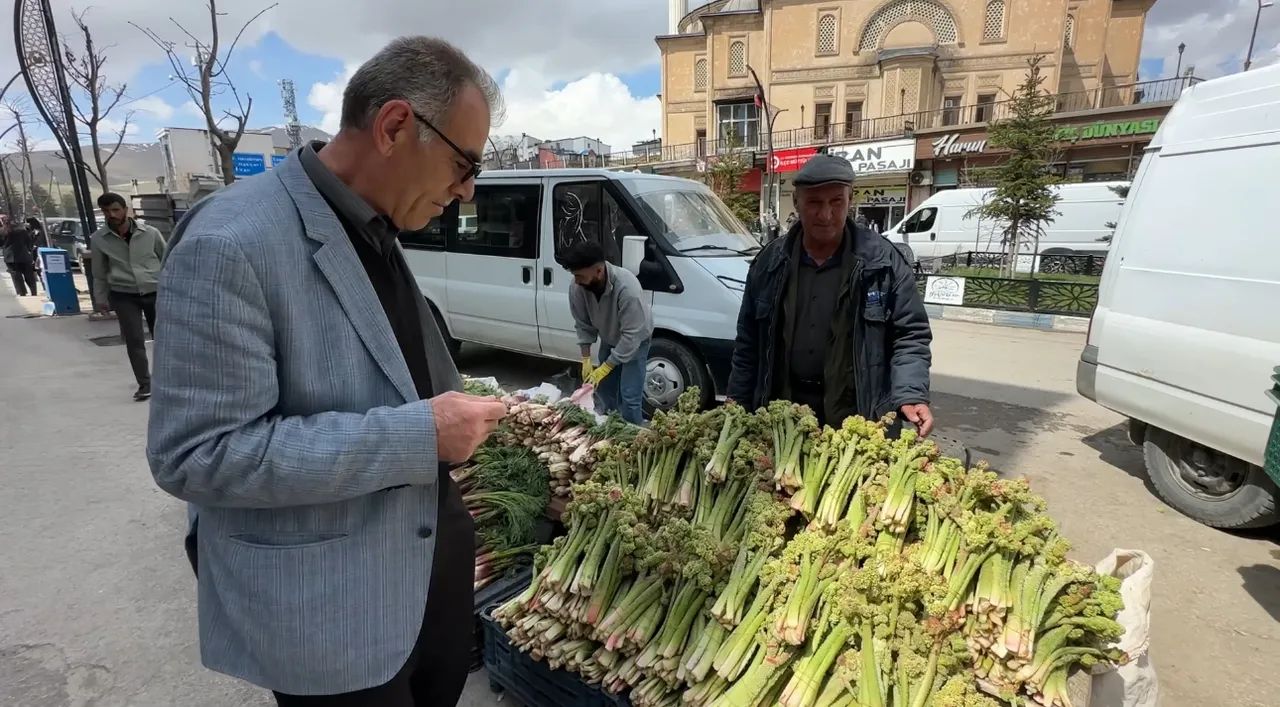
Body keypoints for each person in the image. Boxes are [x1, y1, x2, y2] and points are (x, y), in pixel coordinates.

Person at [146, 37, 507, 707]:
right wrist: (419, 434)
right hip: (336, 620)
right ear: (397, 126)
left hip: (426, 587)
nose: (467, 189)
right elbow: (196, 454)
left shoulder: (373, 223)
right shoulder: (233, 242)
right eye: (464, 162)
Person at [726, 154, 934, 436]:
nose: (825, 215)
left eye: (836, 201)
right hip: (785, 417)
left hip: (859, 418)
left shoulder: (883, 262)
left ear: (850, 200)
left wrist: (911, 393)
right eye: (814, 202)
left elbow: (910, 334)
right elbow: (749, 341)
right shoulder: (770, 263)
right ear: (797, 203)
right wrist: (737, 399)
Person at [564, 239, 654, 424]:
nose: (576, 281)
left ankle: (631, 438)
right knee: (603, 391)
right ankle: (607, 430)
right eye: (575, 276)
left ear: (599, 271)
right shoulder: (578, 287)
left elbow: (631, 336)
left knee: (629, 395)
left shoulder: (627, 288)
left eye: (580, 276)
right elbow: (583, 324)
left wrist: (606, 366)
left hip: (636, 340)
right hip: (609, 337)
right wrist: (586, 359)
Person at [90, 193, 167, 401]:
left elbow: (168, 259)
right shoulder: (99, 239)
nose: (112, 215)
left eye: (115, 209)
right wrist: (101, 300)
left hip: (154, 290)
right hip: (124, 294)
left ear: (125, 209)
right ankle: (145, 384)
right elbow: (98, 272)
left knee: (164, 337)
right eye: (107, 211)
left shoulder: (150, 233)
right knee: (134, 340)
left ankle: (168, 380)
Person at [1, 215, 39, 296]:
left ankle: (22, 292)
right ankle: (33, 291)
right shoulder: (21, 231)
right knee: (29, 274)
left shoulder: (2, 231)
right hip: (23, 255)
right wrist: (29, 249)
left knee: (16, 275)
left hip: (10, 256)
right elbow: (28, 241)